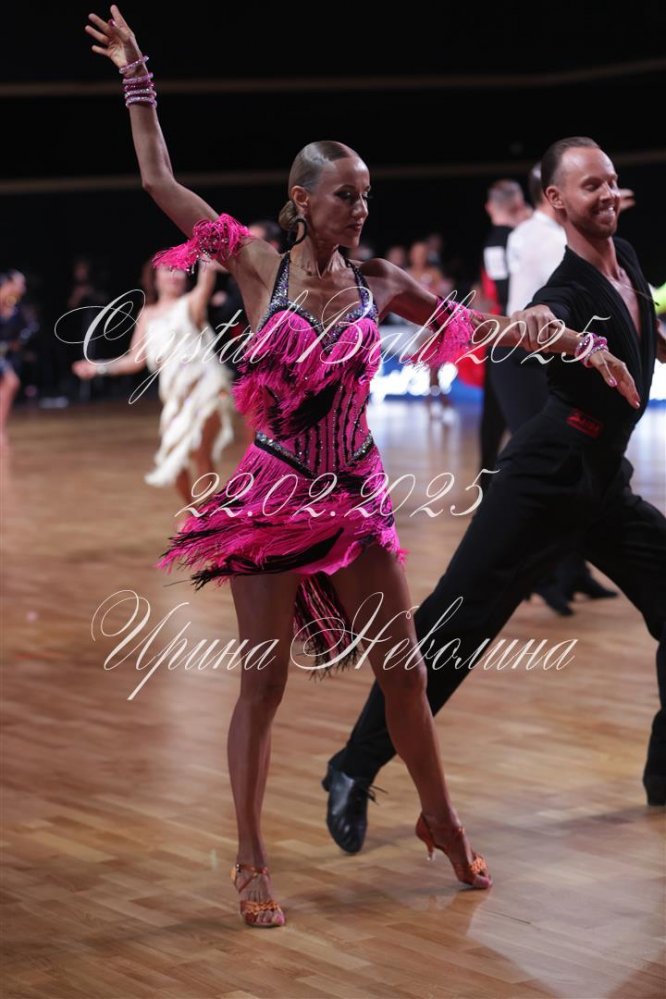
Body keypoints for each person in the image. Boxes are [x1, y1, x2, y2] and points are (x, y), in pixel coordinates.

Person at [85, 10, 637, 928]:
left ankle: (439, 817)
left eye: (368, 195)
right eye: (346, 195)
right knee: (263, 684)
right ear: (302, 201)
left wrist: (572, 339)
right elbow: (158, 180)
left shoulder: (379, 280)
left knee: (406, 675)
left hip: (353, 497)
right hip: (272, 496)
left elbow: (481, 330)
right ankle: (252, 859)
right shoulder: (257, 265)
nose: (361, 209)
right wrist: (137, 77)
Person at [323, 137, 666, 855]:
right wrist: (541, 327)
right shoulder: (565, 286)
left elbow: (645, 336)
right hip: (543, 477)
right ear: (555, 201)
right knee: (455, 626)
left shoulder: (628, 260)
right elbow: (542, 320)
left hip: (602, 482)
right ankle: (353, 765)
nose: (608, 194)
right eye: (591, 186)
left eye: (611, 181)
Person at [73, 258, 233, 506]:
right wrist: (98, 367)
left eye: (180, 270)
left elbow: (205, 282)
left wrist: (207, 262)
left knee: (201, 451)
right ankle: (192, 510)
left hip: (206, 387)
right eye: (168, 270)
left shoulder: (191, 303)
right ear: (155, 277)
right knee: (173, 458)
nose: (175, 275)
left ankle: (206, 517)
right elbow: (134, 361)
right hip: (175, 395)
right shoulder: (147, 315)